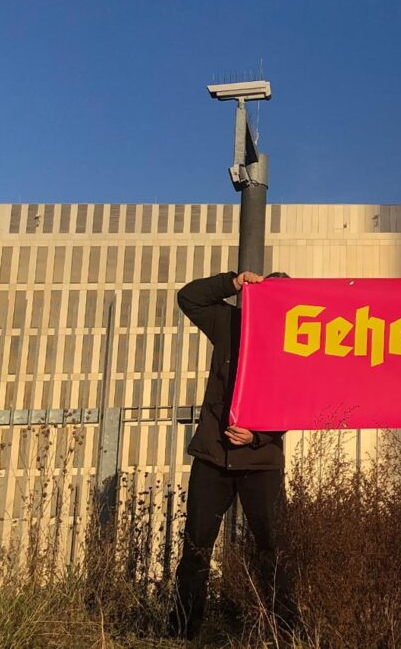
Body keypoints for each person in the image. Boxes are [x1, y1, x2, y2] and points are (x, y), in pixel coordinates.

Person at [169, 270, 295, 640]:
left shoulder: (297, 342)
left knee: (274, 549)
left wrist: (257, 436)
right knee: (196, 548)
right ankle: (181, 632)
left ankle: (283, 630)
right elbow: (189, 297)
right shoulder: (230, 323)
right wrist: (232, 283)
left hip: (261, 463)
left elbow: (296, 403)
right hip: (213, 458)